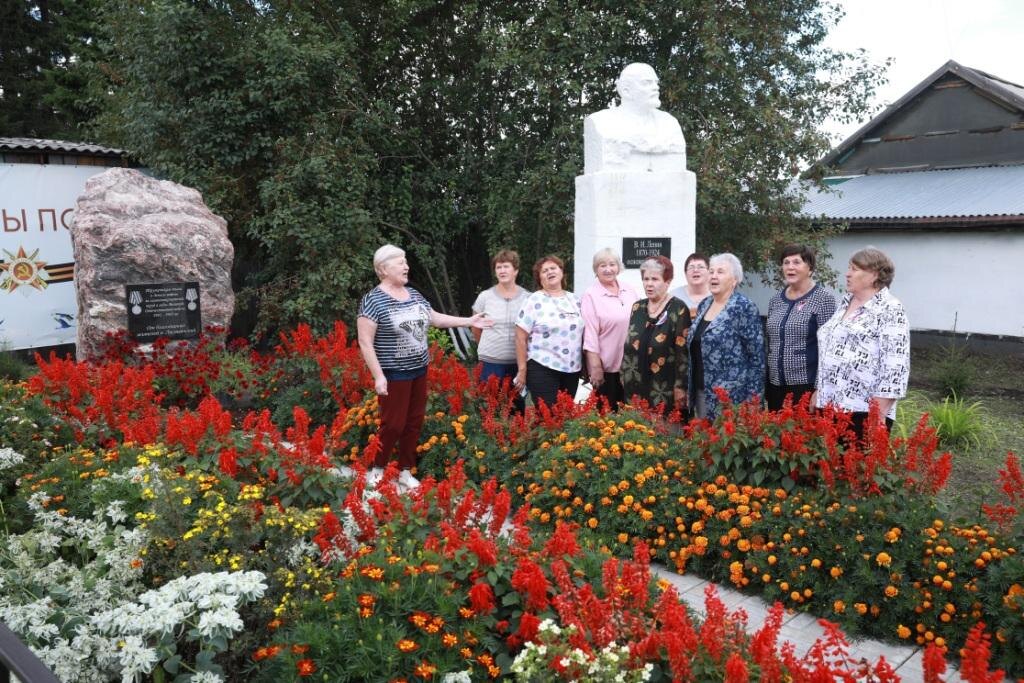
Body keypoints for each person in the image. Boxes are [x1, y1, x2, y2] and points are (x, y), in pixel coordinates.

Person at [357, 244, 492, 488]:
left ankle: (405, 471)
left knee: (414, 421)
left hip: (419, 370)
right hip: (393, 372)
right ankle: (377, 467)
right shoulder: (373, 301)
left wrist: (469, 320)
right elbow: (365, 342)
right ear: (383, 269)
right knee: (393, 424)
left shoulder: (414, 294)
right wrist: (378, 376)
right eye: (400, 262)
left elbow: (435, 318)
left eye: (406, 261)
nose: (406, 266)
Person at [814, 246, 910, 440]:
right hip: (829, 405)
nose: (847, 274)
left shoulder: (890, 309)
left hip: (862, 412)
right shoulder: (845, 303)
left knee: (853, 469)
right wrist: (819, 389)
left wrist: (877, 416)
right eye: (849, 268)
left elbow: (895, 368)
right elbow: (829, 350)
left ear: (874, 275)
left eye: (854, 269)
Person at [687, 253, 765, 419]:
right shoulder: (704, 304)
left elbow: (756, 358)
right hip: (702, 392)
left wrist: (753, 401)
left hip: (732, 398)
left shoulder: (743, 307)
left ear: (735, 280)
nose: (713, 276)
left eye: (720, 272)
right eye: (712, 271)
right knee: (703, 443)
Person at [765, 245, 837, 410]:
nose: (790, 267)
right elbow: (771, 345)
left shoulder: (823, 299)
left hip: (805, 386)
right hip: (775, 386)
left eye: (796, 262)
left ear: (810, 268)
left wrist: (820, 388)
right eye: (786, 262)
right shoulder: (775, 301)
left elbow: (828, 348)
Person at [583, 62, 687, 173]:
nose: (655, 88)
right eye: (646, 83)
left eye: (656, 83)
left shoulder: (669, 123)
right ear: (626, 91)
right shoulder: (602, 122)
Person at [620, 255, 690, 414]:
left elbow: (683, 353)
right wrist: (623, 373)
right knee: (635, 433)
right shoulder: (637, 307)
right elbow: (628, 343)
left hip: (662, 388)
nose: (649, 284)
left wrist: (680, 387)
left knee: (663, 435)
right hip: (634, 385)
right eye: (646, 279)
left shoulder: (678, 309)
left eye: (655, 279)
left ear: (667, 281)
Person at [513, 256, 584, 410]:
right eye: (544, 271)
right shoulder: (534, 300)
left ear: (561, 272)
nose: (550, 272)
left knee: (565, 414)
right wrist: (522, 369)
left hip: (572, 369)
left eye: (553, 268)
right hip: (542, 366)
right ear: (539, 278)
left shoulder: (575, 299)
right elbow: (520, 337)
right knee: (548, 417)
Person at [581, 248, 639, 409]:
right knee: (607, 417)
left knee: (633, 415)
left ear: (618, 267)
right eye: (602, 265)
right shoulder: (591, 295)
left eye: (612, 264)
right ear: (595, 269)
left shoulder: (629, 289)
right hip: (607, 368)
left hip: (631, 365)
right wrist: (595, 367)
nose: (608, 269)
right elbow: (590, 334)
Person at [472, 249, 530, 410]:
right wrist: (486, 347)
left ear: (516, 270)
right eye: (498, 267)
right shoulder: (485, 297)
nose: (502, 271)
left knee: (516, 408)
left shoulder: (528, 298)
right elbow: (476, 327)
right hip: (490, 362)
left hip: (517, 364)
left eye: (506, 266)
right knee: (488, 408)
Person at [670, 252, 711, 318]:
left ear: (709, 271)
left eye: (700, 267)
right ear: (685, 273)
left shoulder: (717, 296)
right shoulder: (673, 297)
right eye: (691, 267)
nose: (695, 270)